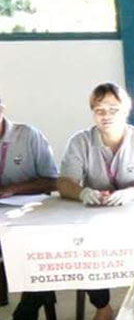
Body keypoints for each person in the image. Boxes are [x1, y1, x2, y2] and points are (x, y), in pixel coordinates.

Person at [57, 83, 134, 320]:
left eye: (113, 109)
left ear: (127, 109)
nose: (106, 116)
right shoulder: (80, 141)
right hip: (97, 219)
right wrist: (84, 193)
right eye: (99, 110)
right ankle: (102, 306)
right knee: (83, 248)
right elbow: (64, 183)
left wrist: (132, 193)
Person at [0, 96, 58, 320]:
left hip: (30, 213)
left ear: (2, 109)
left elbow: (53, 181)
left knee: (35, 257)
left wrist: (14, 189)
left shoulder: (28, 135)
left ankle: (29, 307)